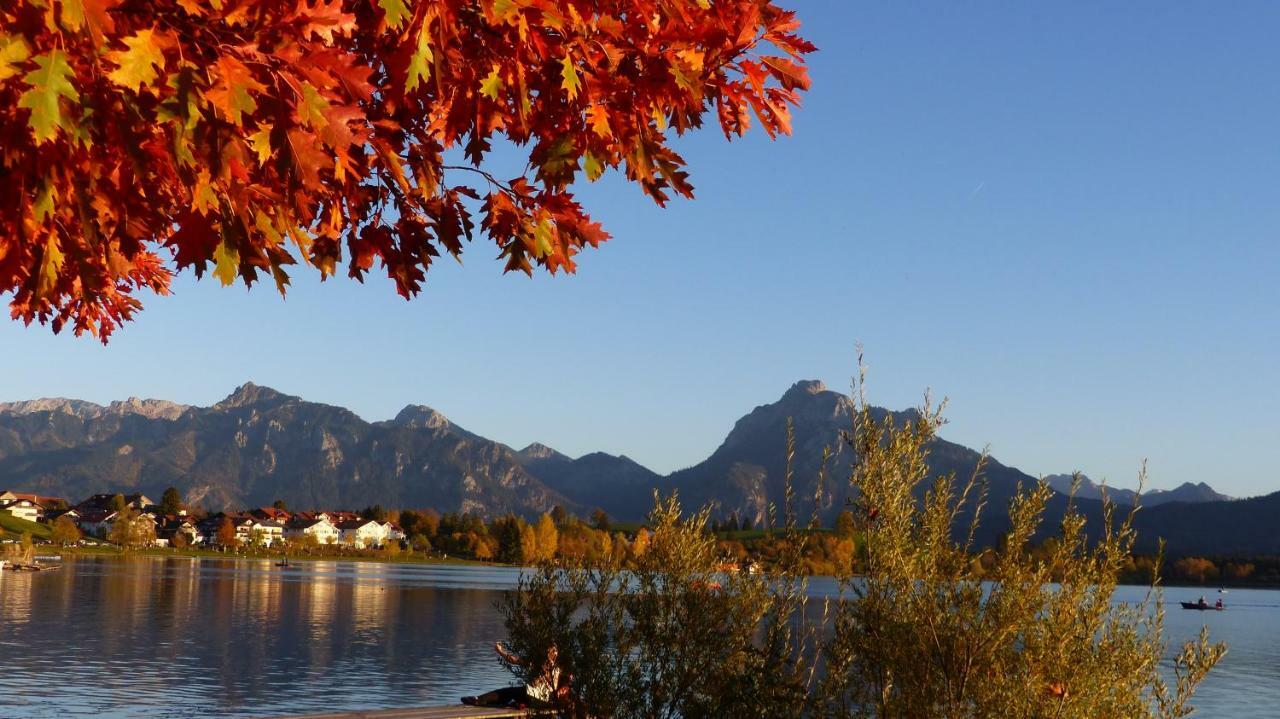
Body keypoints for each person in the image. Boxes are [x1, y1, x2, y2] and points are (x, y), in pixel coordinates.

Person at [462, 641, 567, 709]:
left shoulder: (538, 661)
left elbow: (513, 660)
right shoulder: (559, 667)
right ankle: (482, 699)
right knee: (514, 692)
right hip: (546, 701)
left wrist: (500, 651)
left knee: (508, 692)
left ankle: (478, 699)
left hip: (535, 698)